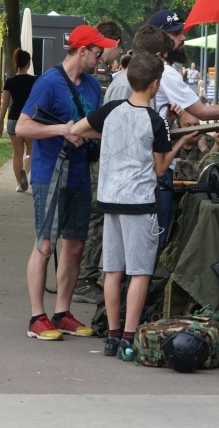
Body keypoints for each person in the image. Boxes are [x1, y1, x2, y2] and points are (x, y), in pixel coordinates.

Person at [70, 52, 198, 359]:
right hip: (139, 202)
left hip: (109, 199)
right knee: (139, 271)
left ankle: (112, 336)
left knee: (112, 269)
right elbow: (160, 168)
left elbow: (76, 130)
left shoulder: (111, 110)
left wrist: (109, 137)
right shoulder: (155, 121)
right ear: (155, 85)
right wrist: (182, 141)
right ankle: (130, 335)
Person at [112, 13, 219, 246]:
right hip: (151, 173)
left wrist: (167, 119)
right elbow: (202, 112)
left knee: (126, 249)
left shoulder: (121, 78)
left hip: (121, 176)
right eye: (175, 33)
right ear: (158, 40)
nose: (182, 37)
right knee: (149, 246)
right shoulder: (164, 72)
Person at [15, 25, 117, 340]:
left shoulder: (90, 86)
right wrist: (62, 131)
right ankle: (36, 317)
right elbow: (22, 127)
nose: (101, 57)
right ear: (82, 49)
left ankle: (62, 313)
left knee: (74, 245)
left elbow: (89, 126)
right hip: (49, 174)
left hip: (79, 174)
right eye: (98, 52)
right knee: (45, 244)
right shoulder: (47, 83)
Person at [75, 21, 124, 305]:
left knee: (93, 216)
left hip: (93, 154)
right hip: (92, 155)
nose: (105, 53)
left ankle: (83, 276)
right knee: (94, 216)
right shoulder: (94, 74)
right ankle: (84, 278)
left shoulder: (99, 76)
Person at [0, 48, 36, 192]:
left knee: (17, 153)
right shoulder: (35, 80)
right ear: (28, 63)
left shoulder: (10, 81)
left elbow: (5, 104)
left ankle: (20, 184)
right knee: (31, 151)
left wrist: (0, 123)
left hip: (13, 119)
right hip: (29, 119)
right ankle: (25, 172)